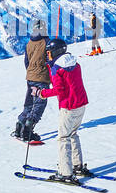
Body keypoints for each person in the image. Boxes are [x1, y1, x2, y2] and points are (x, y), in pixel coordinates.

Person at [39, 39, 91, 182]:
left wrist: (43, 93)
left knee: (63, 138)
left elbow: (59, 89)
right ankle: (77, 165)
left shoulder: (57, 68)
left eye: (48, 53)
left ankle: (66, 172)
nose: (47, 56)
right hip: (81, 104)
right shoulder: (74, 63)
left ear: (55, 52)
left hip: (68, 106)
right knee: (73, 134)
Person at [13, 21, 50, 143]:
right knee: (39, 103)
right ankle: (28, 130)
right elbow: (51, 61)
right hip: (42, 78)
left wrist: (31, 73)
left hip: (30, 77)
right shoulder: (47, 42)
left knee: (29, 102)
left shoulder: (29, 43)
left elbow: (26, 61)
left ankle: (20, 126)